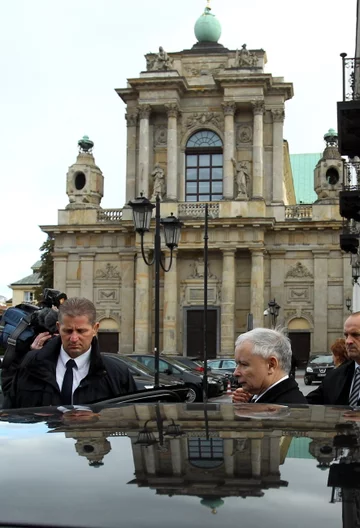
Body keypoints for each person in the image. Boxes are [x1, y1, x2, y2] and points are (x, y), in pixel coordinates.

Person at [3, 297, 136, 409]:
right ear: (58, 327)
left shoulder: (117, 374)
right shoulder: (31, 365)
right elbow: (12, 413)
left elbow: (132, 423)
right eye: (68, 331)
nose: (73, 338)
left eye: (81, 331)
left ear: (95, 329)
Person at [232, 327, 307, 405]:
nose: (235, 373)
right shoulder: (267, 400)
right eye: (237, 364)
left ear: (271, 365)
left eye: (244, 364)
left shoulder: (287, 409)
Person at [307, 312, 360, 406]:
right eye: (346, 335)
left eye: (355, 334)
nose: (348, 341)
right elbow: (304, 404)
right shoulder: (335, 376)